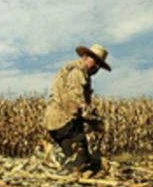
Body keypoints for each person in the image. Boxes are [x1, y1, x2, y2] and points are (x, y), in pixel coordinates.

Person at [43, 43, 111, 173]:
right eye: (95, 61)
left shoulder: (77, 70)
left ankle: (60, 164)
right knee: (81, 164)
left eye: (99, 65)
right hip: (65, 121)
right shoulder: (78, 71)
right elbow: (75, 95)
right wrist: (87, 114)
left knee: (76, 157)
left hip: (56, 121)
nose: (96, 67)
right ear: (86, 56)